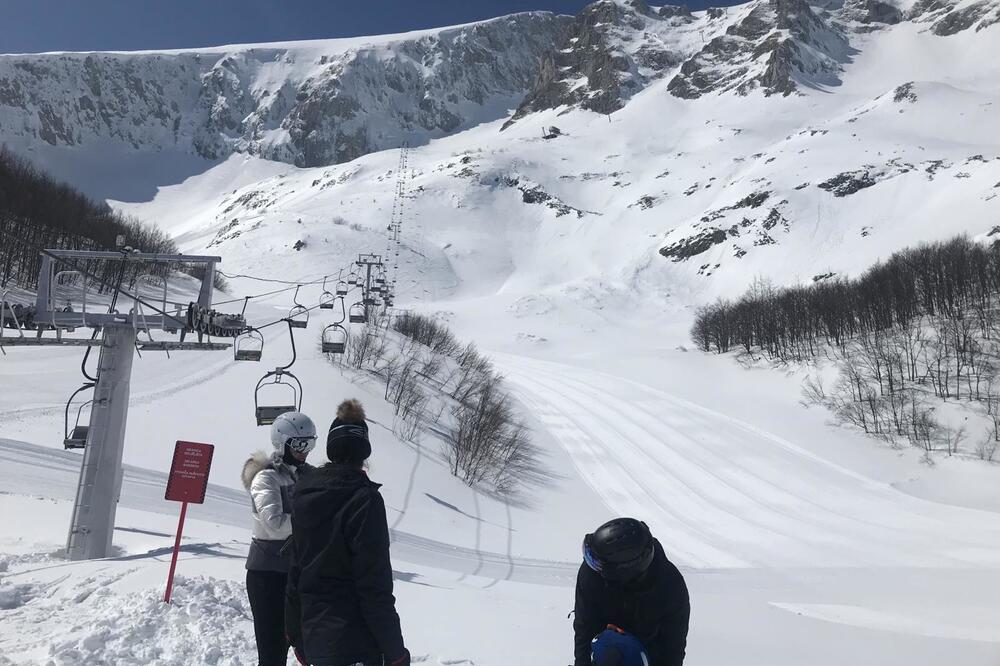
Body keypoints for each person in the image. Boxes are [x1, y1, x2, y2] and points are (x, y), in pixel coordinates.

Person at [285, 399, 409, 666]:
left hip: (316, 638)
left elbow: (296, 571)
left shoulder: (304, 495)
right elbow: (373, 584)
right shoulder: (364, 500)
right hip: (358, 642)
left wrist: (295, 635)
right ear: (363, 451)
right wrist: (395, 651)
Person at [242, 411, 317, 666]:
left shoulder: (308, 474)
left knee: (305, 645)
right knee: (273, 651)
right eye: (299, 445)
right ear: (282, 443)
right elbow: (274, 523)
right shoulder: (266, 477)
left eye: (310, 443)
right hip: (268, 576)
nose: (304, 451)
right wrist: (313, 522)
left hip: (297, 573)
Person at [574, 518, 689, 666]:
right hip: (605, 645)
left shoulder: (671, 587)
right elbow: (585, 626)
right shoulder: (591, 574)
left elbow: (673, 649)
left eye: (595, 562)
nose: (590, 563)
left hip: (647, 650)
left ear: (622, 571)